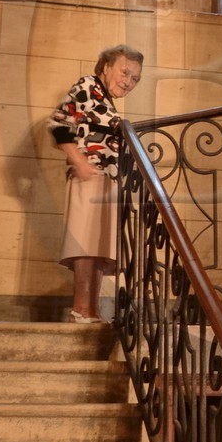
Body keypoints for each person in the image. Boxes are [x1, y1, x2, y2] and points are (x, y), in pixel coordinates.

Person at [49, 44, 143, 322]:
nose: (128, 82)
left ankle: (91, 310)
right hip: (90, 177)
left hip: (108, 179)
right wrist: (78, 161)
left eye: (135, 79)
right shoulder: (88, 85)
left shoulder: (105, 99)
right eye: (125, 73)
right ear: (105, 67)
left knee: (100, 247)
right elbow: (57, 123)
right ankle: (80, 310)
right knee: (87, 245)